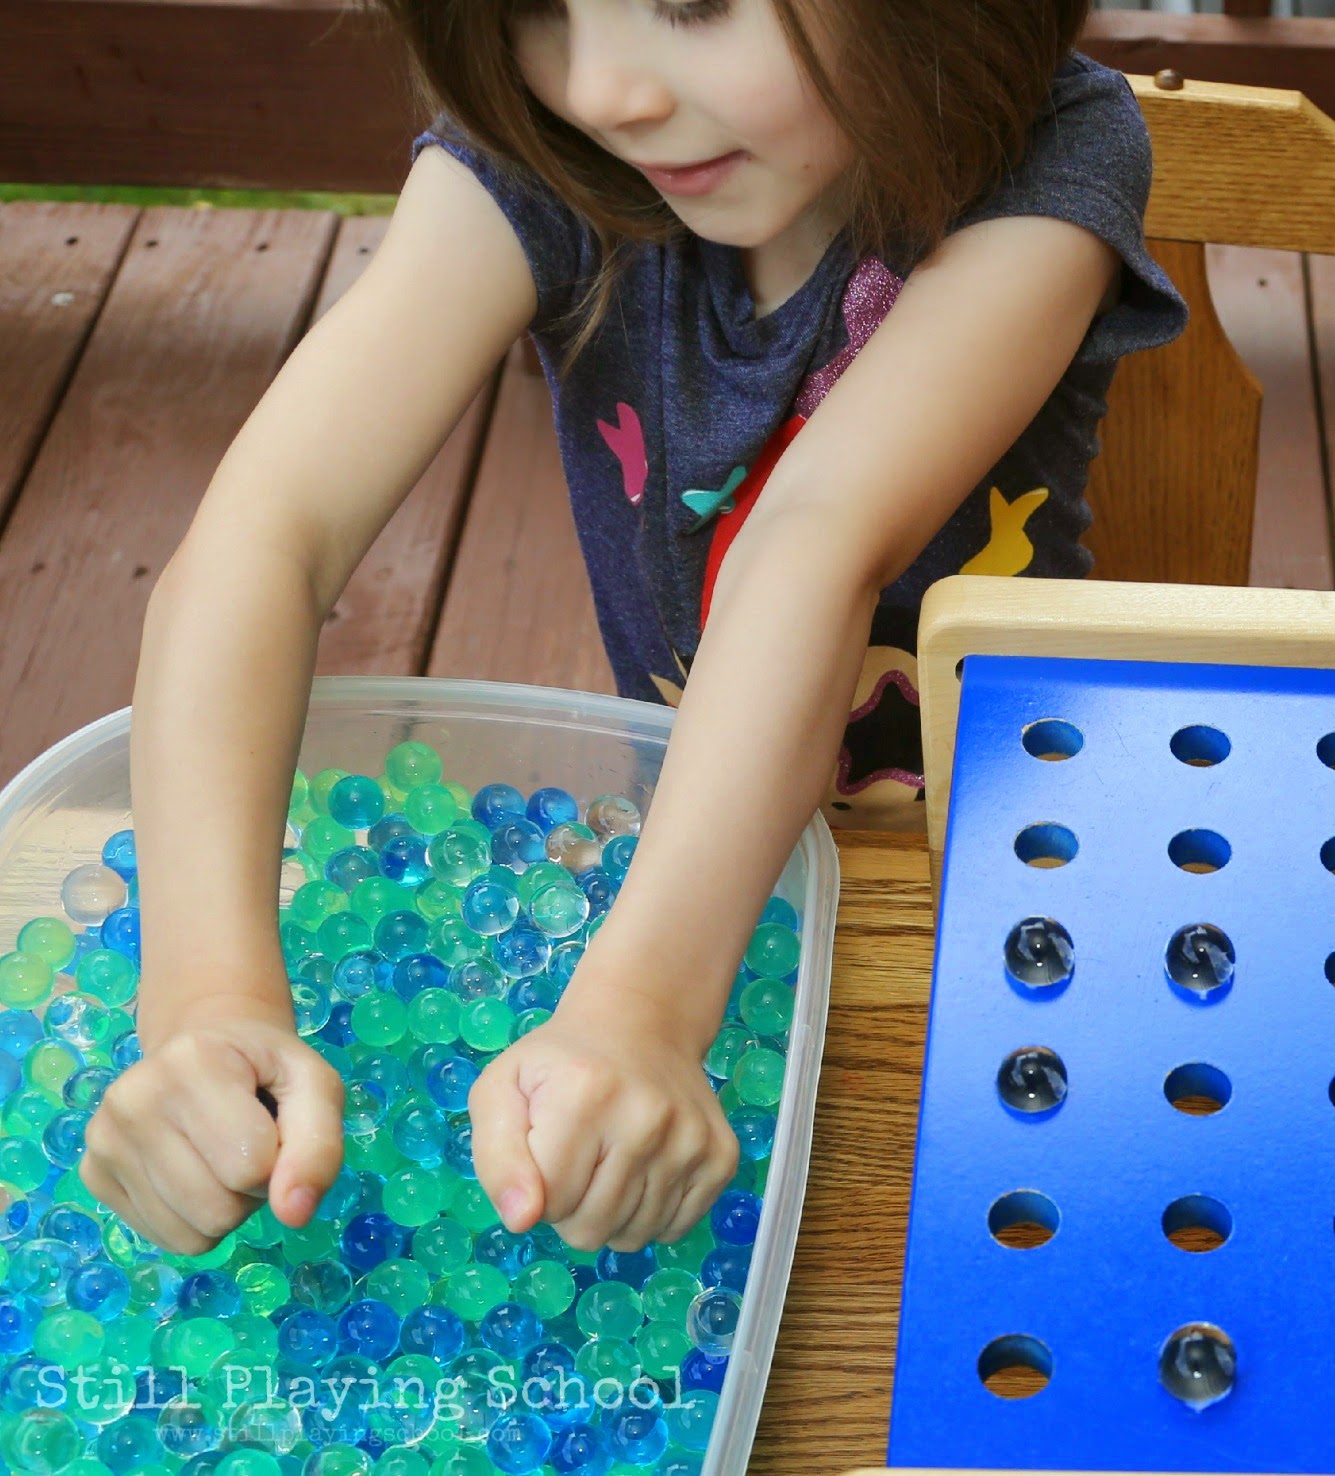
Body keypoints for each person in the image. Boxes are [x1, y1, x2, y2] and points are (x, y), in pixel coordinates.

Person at [79, 0, 1189, 1259]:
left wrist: (642, 1011)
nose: (606, 90)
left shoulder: (1050, 151)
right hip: (706, 880)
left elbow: (810, 540)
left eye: (695, 4)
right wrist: (205, 998)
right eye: (538, 10)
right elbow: (265, 534)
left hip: (1005, 889)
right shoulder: (546, 162)